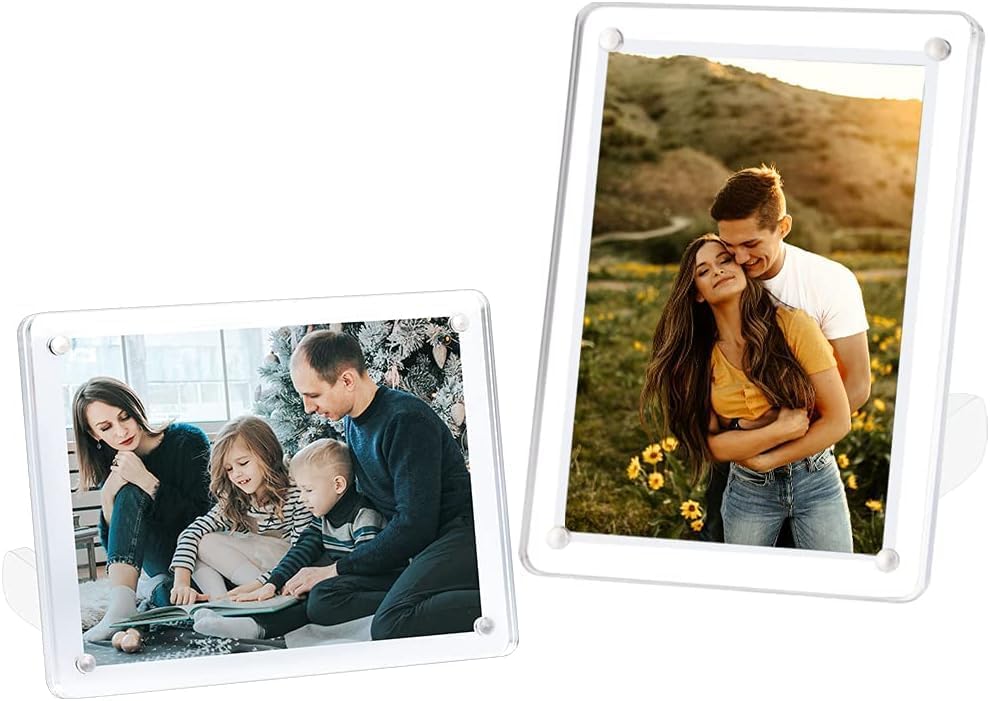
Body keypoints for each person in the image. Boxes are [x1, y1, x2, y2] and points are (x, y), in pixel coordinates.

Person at [641, 235, 854, 551]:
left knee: (837, 588)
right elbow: (709, 444)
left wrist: (765, 455)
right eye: (703, 270)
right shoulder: (699, 358)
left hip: (816, 479)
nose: (718, 271)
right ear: (697, 294)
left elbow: (839, 422)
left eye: (724, 260)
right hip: (749, 490)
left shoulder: (793, 325)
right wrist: (783, 428)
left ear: (741, 268)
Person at [702, 165, 871, 544]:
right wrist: (745, 442)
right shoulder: (720, 283)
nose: (740, 259)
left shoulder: (830, 281)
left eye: (751, 245)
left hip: (810, 457)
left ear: (784, 227)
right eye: (729, 247)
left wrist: (783, 436)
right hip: (737, 461)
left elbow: (856, 386)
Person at [288, 330, 481, 639]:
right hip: (412, 545)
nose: (308, 407)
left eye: (313, 395)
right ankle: (415, 593)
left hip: (454, 534)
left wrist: (335, 568)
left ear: (347, 380)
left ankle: (505, 597)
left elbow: (415, 525)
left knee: (390, 623)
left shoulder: (405, 421)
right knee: (323, 600)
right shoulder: (352, 422)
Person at [192, 438, 397, 639]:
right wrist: (273, 582)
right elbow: (301, 550)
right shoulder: (323, 517)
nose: (301, 498)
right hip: (344, 581)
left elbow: (367, 566)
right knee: (302, 590)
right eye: (299, 490)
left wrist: (324, 579)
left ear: (338, 485)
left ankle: (257, 628)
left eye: (307, 490)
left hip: (376, 582)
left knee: (319, 598)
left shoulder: (364, 516)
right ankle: (250, 626)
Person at [72, 377, 212, 641]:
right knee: (127, 490)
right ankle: (122, 607)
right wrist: (108, 493)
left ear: (135, 409)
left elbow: (201, 518)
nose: (121, 431)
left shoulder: (187, 440)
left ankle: (149, 599)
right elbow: (116, 544)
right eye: (106, 427)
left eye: (124, 417)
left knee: (171, 593)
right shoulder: (116, 463)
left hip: (196, 552)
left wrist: (148, 482)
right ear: (94, 434)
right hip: (156, 559)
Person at [166, 415, 313, 606]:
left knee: (206, 542)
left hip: (286, 569)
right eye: (229, 469)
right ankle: (220, 603)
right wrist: (181, 583)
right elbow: (190, 533)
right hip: (255, 574)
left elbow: (301, 552)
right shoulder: (236, 497)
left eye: (243, 463)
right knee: (199, 543)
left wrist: (264, 583)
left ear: (267, 454)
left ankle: (260, 597)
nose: (236, 474)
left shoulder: (296, 491)